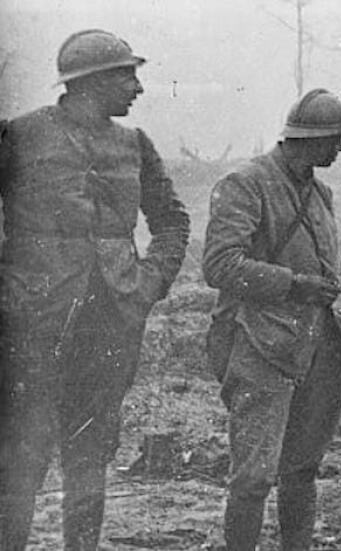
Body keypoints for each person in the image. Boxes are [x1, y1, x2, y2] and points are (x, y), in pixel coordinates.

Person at [0, 29, 190, 551]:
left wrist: (148, 283)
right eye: (127, 77)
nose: (138, 89)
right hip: (30, 329)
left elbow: (171, 220)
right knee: (21, 458)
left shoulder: (135, 144)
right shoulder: (19, 136)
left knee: (90, 456)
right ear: (90, 82)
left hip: (109, 327)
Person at [203, 89, 341, 551]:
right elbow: (220, 265)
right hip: (260, 344)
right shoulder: (245, 183)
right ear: (308, 139)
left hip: (318, 345)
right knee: (253, 476)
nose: (340, 149)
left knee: (302, 469)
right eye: (334, 139)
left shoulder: (320, 193)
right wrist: (294, 285)